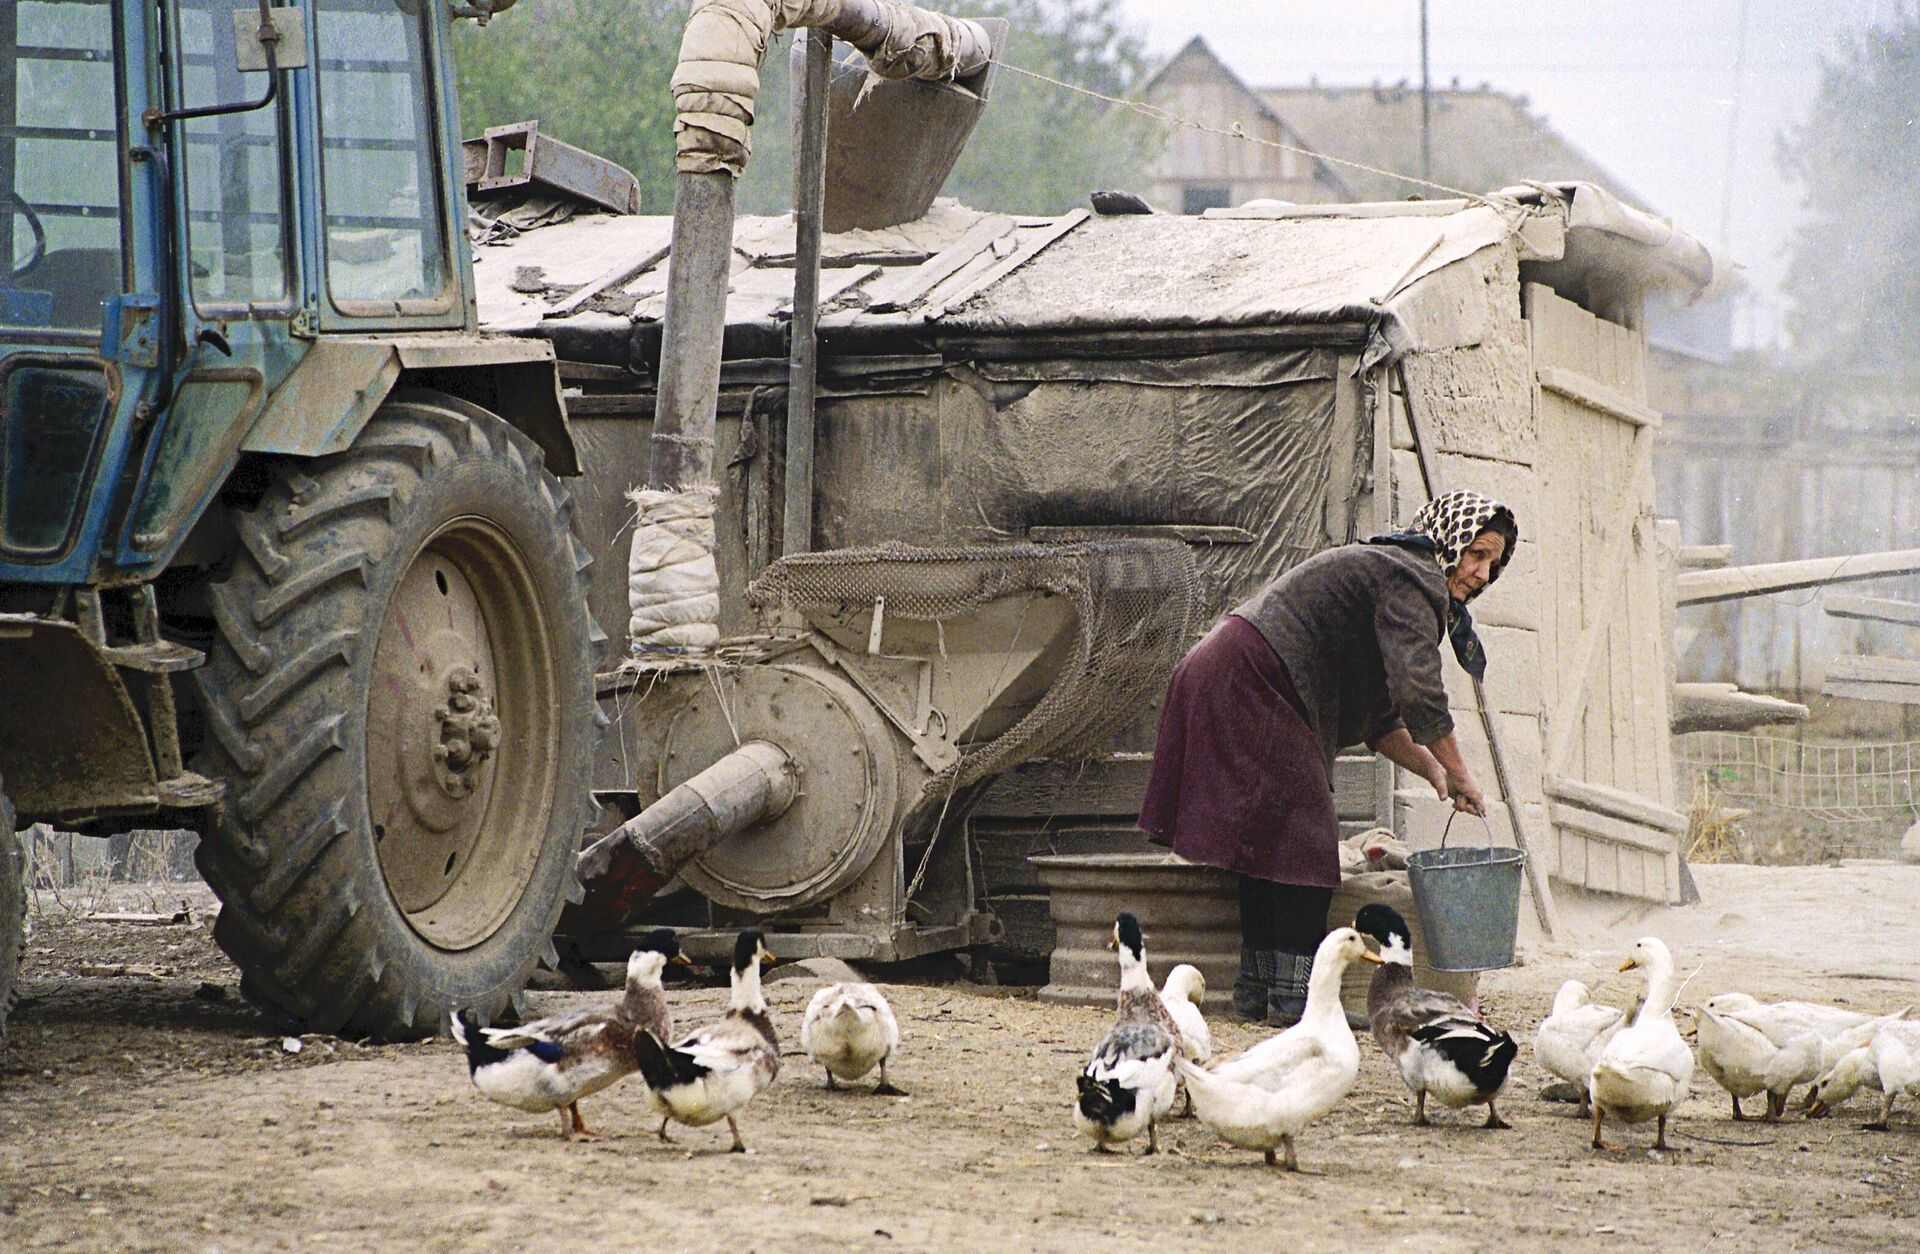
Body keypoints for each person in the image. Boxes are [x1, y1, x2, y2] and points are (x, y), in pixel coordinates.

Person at [1139, 490, 1518, 1026]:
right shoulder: (1414, 577)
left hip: (1228, 666)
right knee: (1303, 836)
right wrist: (1462, 770)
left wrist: (1436, 772)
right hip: (1253, 674)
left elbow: (1382, 720)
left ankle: (1258, 990)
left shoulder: (1401, 580)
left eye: (1492, 563)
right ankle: (1295, 1000)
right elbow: (1420, 694)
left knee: (1269, 837)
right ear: (1448, 539)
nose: (1480, 573)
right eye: (1476, 553)